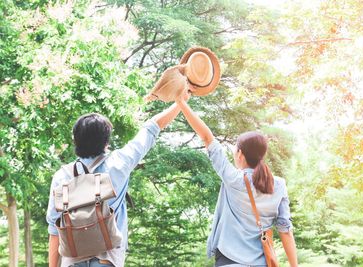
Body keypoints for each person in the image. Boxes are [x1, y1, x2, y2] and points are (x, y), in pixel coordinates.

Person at [46, 99, 188, 267]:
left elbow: (54, 229)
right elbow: (152, 127)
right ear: (106, 142)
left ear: (75, 140)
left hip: (72, 261)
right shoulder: (119, 163)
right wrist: (181, 101)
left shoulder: (62, 176)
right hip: (107, 259)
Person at [176, 90, 298, 267]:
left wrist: (181, 102)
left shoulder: (233, 179)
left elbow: (207, 137)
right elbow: (285, 229)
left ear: (240, 154)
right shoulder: (278, 185)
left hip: (229, 260)